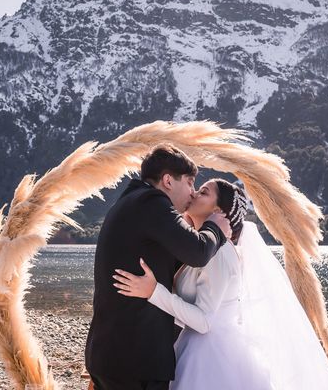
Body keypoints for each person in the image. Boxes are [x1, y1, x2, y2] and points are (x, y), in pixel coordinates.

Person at [113, 179, 328, 390]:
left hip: (212, 357)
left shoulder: (220, 253)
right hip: (196, 346)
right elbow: (192, 314)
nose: (193, 194)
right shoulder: (202, 249)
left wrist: (154, 292)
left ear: (218, 211)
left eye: (203, 192)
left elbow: (204, 322)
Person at [84, 144, 232, 390]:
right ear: (168, 181)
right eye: (190, 182)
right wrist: (215, 228)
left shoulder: (131, 201)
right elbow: (197, 252)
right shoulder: (151, 203)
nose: (193, 193)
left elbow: (176, 260)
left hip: (113, 353)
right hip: (134, 360)